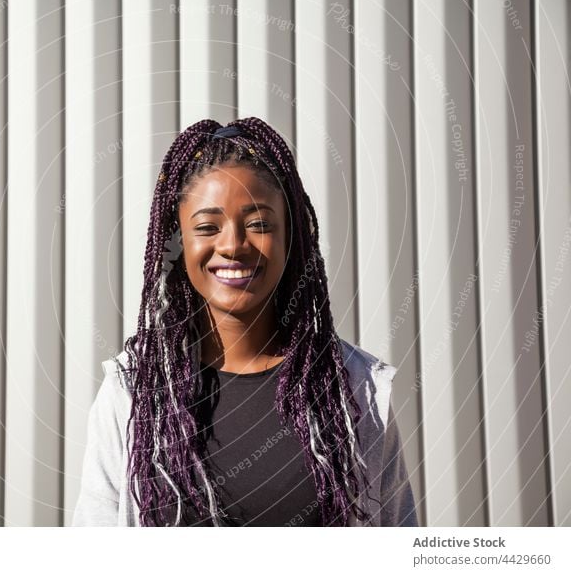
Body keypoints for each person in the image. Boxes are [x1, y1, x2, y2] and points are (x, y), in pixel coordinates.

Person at [72, 117, 418, 527]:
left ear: (291, 237)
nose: (233, 244)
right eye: (206, 227)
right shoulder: (132, 394)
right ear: (179, 243)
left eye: (258, 224)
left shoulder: (354, 389)